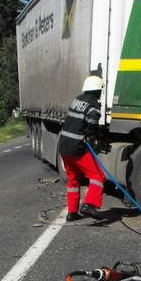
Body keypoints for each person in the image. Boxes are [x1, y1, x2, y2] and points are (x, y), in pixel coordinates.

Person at [58, 75, 109, 222]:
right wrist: (95, 139)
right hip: (77, 148)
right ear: (98, 91)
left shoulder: (77, 99)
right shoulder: (94, 105)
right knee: (98, 176)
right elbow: (92, 125)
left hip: (64, 146)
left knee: (73, 179)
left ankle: (72, 212)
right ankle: (89, 204)